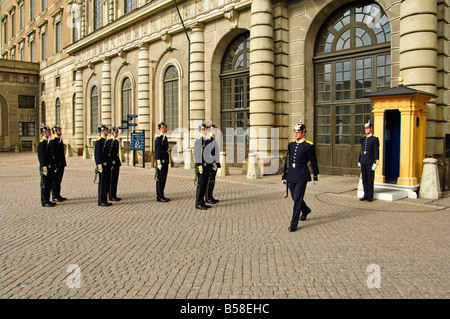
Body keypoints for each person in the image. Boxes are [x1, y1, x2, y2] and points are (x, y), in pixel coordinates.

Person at [282, 122, 319, 232]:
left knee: (297, 198)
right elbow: (288, 160)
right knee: (295, 197)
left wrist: (316, 175)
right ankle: (306, 210)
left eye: (298, 132)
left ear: (303, 133)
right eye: (295, 132)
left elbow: (313, 161)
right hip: (292, 174)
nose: (296, 134)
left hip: (302, 174)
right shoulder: (291, 144)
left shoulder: (309, 145)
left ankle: (294, 223)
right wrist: (284, 174)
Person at [358, 120, 379, 202]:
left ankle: (370, 196)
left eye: (368, 128)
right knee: (364, 179)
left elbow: (376, 151)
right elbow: (361, 150)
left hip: (370, 160)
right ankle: (365, 194)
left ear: (371, 129)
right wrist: (359, 160)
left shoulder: (374, 139)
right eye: (365, 128)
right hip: (363, 160)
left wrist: (376, 161)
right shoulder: (363, 139)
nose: (366, 130)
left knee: (370, 179)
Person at [37, 124, 56, 207]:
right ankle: (44, 201)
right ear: (44, 133)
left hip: (50, 167)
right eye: (48, 132)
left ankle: (48, 199)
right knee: (45, 185)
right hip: (46, 168)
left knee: (49, 184)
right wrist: (44, 167)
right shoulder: (42, 144)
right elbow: (41, 157)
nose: (50, 133)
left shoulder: (47, 142)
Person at [194, 123, 212, 210]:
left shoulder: (206, 140)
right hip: (202, 166)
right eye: (206, 130)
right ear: (202, 130)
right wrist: (199, 165)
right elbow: (197, 154)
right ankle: (198, 202)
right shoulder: (199, 140)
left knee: (205, 184)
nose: (207, 131)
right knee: (201, 185)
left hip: (207, 166)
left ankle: (202, 201)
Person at [94, 124, 112, 207]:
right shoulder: (99, 141)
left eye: (107, 130)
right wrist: (99, 165)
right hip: (102, 166)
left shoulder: (106, 141)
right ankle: (101, 200)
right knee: (102, 183)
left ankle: (105, 199)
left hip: (107, 165)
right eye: (105, 130)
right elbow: (97, 154)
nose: (107, 131)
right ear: (101, 131)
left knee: (107, 183)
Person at [49, 124, 67, 202]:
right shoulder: (53, 141)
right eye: (59, 130)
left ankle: (58, 194)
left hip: (61, 163)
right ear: (55, 131)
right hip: (56, 164)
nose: (61, 131)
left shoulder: (60, 140)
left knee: (59, 180)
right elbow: (52, 154)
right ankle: (55, 196)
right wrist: (54, 164)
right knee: (55, 180)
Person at [155, 121, 170, 202]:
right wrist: (158, 162)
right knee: (160, 179)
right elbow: (157, 151)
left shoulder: (164, 137)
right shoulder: (159, 138)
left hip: (165, 161)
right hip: (161, 161)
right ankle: (159, 196)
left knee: (163, 179)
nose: (166, 129)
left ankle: (162, 194)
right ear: (161, 128)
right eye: (165, 127)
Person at [205, 124, 221, 204]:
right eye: (215, 130)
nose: (216, 131)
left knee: (212, 180)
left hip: (213, 163)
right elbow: (209, 154)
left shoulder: (213, 139)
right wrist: (213, 163)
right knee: (210, 180)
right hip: (211, 164)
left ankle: (210, 196)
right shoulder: (209, 140)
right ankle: (208, 197)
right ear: (211, 130)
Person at [109, 126, 121, 202]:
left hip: (116, 162)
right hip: (111, 162)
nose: (116, 134)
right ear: (112, 133)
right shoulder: (109, 141)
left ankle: (114, 194)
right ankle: (111, 195)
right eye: (115, 132)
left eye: (117, 132)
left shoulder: (116, 141)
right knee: (111, 180)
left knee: (115, 179)